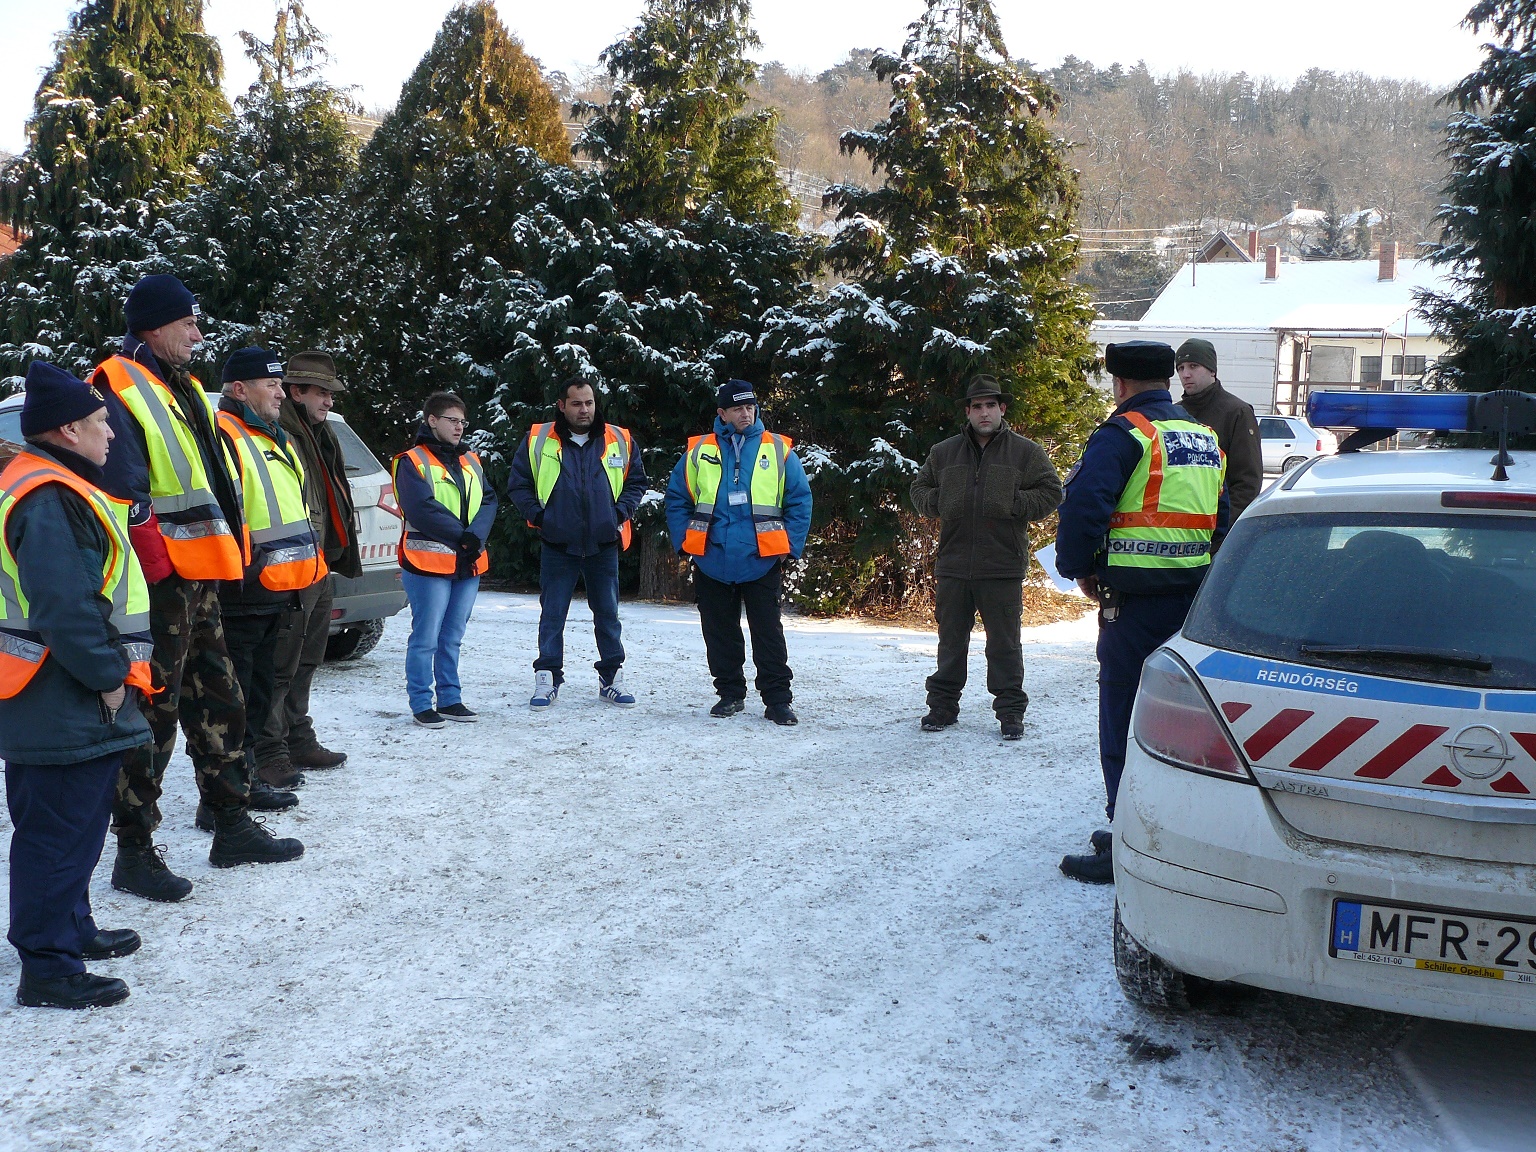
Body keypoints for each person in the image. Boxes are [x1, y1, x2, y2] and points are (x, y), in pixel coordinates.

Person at [94, 274, 298, 902]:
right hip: (160, 583)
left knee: (219, 696)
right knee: (154, 714)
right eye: (187, 323)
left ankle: (230, 821)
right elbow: (121, 487)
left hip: (198, 576)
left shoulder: (178, 386)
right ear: (154, 326)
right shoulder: (119, 383)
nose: (198, 334)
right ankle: (134, 850)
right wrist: (158, 565)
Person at [1, 362, 155, 1008]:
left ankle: (71, 927)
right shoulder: (49, 496)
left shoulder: (51, 484)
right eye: (100, 422)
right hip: (62, 695)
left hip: (50, 695)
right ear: (68, 429)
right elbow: (64, 607)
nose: (111, 434)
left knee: (71, 827)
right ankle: (48, 967)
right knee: (57, 834)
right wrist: (109, 677)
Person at [1054, 341, 1227, 883]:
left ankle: (1128, 839)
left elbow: (1085, 507)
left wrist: (1078, 567)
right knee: (1182, 722)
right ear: (1168, 380)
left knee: (1125, 719)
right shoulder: (1201, 437)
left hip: (1132, 608)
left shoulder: (1125, 433)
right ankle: (1175, 831)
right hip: (1191, 607)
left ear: (1121, 383)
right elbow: (1220, 517)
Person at [197, 349, 326, 864]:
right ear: (238, 390)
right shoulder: (225, 435)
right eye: (268, 384)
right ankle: (221, 800)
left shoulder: (276, 437)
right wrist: (244, 573)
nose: (278, 391)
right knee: (232, 700)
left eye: (279, 383)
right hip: (244, 591)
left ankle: (243, 783)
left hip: (280, 588)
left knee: (254, 693)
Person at [910, 377, 1064, 741]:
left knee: (1004, 645)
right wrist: (940, 501)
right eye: (977, 406)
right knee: (950, 642)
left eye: (990, 405)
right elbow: (919, 489)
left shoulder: (1025, 452)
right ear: (967, 411)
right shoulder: (944, 452)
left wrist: (1014, 503)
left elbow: (1051, 492)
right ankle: (942, 707)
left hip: (1002, 565)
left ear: (1002, 409)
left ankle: (1010, 712)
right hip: (954, 564)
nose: (984, 413)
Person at [665, 380, 812, 725]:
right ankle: (730, 694)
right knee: (719, 632)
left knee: (768, 633)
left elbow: (800, 500)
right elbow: (677, 499)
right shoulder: (698, 451)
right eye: (737, 408)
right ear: (722, 413)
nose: (745, 413)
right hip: (711, 559)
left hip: (762, 560)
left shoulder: (778, 450)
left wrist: (787, 549)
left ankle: (778, 701)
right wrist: (686, 544)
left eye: (750, 407)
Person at [506, 377, 648, 708]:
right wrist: (541, 518)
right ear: (561, 405)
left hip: (603, 543)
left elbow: (636, 482)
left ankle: (611, 678)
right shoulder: (538, 439)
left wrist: (617, 514)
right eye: (576, 403)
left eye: (589, 403)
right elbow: (518, 484)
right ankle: (547, 677)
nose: (584, 410)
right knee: (552, 615)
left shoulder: (619, 439)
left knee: (608, 615)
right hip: (558, 544)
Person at [254, 352, 359, 784]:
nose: (329, 401)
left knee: (308, 658)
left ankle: (297, 737)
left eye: (331, 394)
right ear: (296, 392)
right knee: (280, 664)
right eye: (322, 393)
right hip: (289, 567)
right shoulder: (278, 435)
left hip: (316, 562)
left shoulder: (319, 434)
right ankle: (269, 751)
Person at [392, 392, 496, 728]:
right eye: (452, 420)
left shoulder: (471, 461)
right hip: (428, 564)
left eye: (462, 421)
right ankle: (422, 703)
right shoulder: (411, 461)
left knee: (452, 636)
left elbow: (489, 501)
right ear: (432, 420)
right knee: (426, 637)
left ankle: (450, 699)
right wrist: (464, 536)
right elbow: (421, 508)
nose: (459, 427)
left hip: (468, 562)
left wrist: (474, 536)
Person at [1175, 339, 1262, 522]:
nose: (1186, 375)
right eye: (1180, 368)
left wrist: (1222, 526)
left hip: (1217, 528)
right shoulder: (1175, 414)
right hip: (1176, 527)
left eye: (1193, 366)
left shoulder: (1238, 412)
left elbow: (1247, 482)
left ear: (1212, 370)